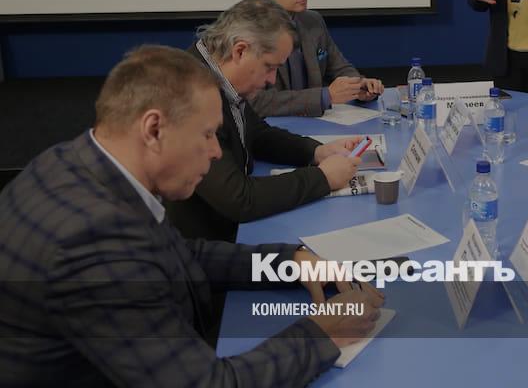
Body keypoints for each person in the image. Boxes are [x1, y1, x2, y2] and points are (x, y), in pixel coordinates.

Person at [0, 46, 384, 386]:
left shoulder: (77, 164)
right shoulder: (92, 242)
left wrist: (290, 261)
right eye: (207, 135)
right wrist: (322, 333)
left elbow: (181, 255)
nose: (217, 153)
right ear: (154, 129)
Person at [165, 0, 361, 243]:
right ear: (240, 51)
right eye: (269, 67)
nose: (271, 80)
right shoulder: (191, 94)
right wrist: (322, 178)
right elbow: (239, 199)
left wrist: (316, 152)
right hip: (206, 244)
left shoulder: (215, 70)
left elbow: (257, 133)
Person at [247, 0, 384, 117]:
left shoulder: (312, 21)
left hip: (315, 124)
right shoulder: (246, 32)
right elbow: (258, 102)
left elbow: (339, 68)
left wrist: (359, 86)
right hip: (269, 128)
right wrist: (324, 96)